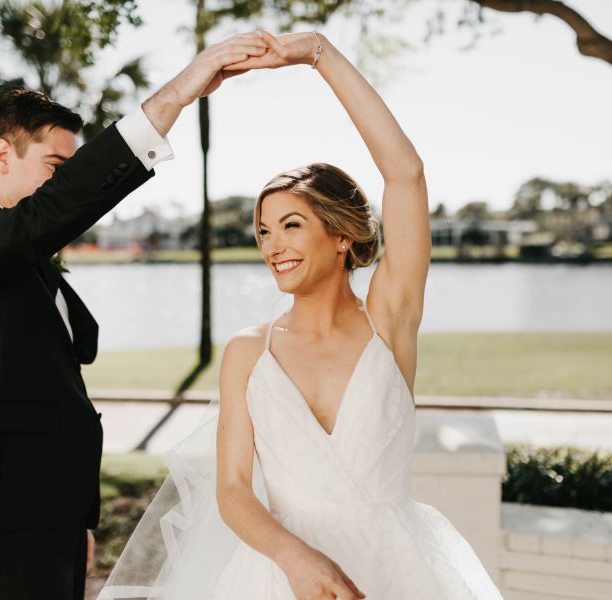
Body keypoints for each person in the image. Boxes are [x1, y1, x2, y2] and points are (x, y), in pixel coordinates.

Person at [99, 31, 503, 600]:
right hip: (272, 576)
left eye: (292, 225)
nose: (273, 245)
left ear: (341, 236)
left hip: (397, 572)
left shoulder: (390, 321)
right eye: (264, 229)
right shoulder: (248, 352)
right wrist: (298, 561)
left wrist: (319, 53)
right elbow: (234, 491)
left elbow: (406, 174)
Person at [0, 32, 270, 600]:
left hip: (48, 512)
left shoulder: (26, 258)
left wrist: (76, 514)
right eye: (55, 166)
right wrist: (179, 95)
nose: (62, 183)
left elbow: (54, 389)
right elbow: (56, 210)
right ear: (2, 153)